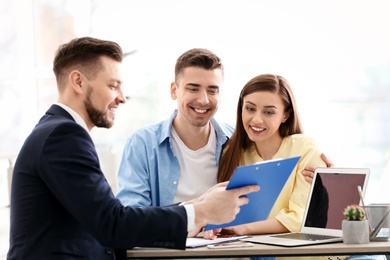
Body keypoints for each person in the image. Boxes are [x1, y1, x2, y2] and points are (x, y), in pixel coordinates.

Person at [6, 37, 260, 260]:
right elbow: (112, 223)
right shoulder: (64, 135)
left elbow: (106, 218)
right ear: (78, 82)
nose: (121, 97)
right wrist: (202, 211)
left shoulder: (57, 132)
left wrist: (200, 203)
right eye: (112, 85)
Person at [116, 48, 234, 208]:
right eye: (193, 88)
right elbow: (133, 216)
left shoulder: (235, 139)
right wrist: (196, 212)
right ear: (174, 90)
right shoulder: (142, 143)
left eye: (212, 90)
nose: (204, 100)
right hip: (168, 233)